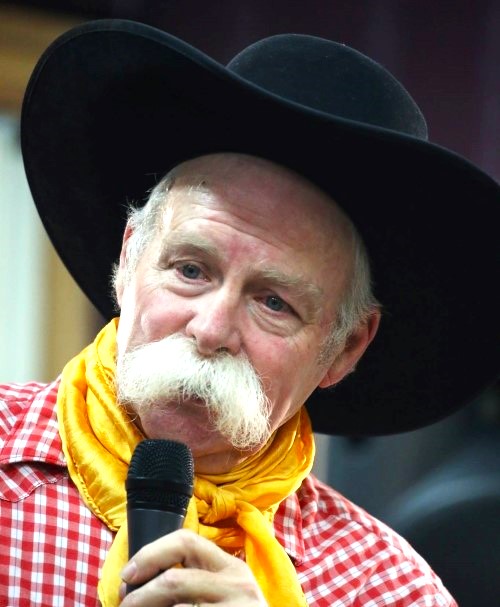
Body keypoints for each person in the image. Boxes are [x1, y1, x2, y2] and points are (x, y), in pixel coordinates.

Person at [1, 18, 499, 607]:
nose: (210, 329)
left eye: (273, 303)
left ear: (345, 348)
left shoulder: (388, 589)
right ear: (130, 257)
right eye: (191, 270)